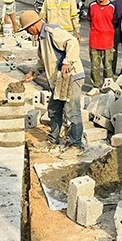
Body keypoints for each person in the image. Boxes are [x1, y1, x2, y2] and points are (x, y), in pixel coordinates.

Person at [21, 10, 85, 149]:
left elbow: (72, 42)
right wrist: (33, 72)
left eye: (27, 29)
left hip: (71, 77)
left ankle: (76, 145)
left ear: (33, 25)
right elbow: (43, 61)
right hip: (59, 80)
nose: (27, 33)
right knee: (54, 109)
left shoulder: (52, 32)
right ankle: (53, 138)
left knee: (72, 111)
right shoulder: (42, 39)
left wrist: (67, 61)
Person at [87, 0, 116, 89]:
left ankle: (109, 86)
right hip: (94, 41)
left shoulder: (112, 7)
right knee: (94, 67)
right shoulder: (92, 6)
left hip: (108, 41)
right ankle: (95, 86)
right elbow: (90, 20)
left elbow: (115, 22)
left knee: (108, 66)